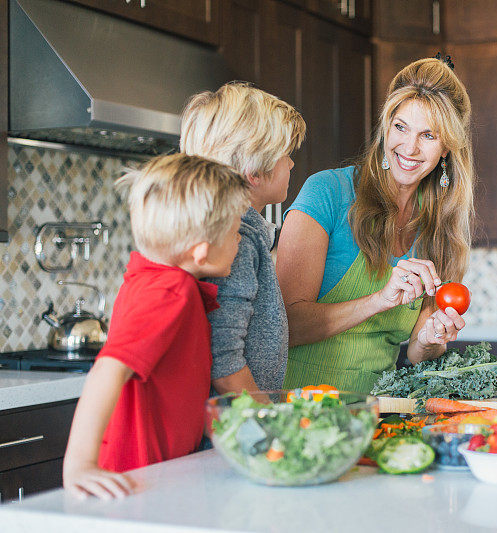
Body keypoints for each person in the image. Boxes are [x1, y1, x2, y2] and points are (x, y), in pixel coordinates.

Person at [277, 57, 475, 394]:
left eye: (428, 135)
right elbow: (284, 328)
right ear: (386, 127)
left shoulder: (439, 226)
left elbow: (416, 351)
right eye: (401, 127)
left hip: (374, 416)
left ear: (446, 149)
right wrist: (380, 300)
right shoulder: (327, 193)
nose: (409, 148)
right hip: (296, 414)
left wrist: (431, 338)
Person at [62, 154, 250, 499]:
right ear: (201, 252)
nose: (240, 241)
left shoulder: (157, 279)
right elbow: (107, 369)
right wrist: (79, 463)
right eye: (236, 232)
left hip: (160, 471)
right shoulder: (169, 291)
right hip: (137, 477)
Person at [180, 82, 306, 394]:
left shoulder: (243, 235)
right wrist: (269, 426)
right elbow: (224, 366)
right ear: (255, 173)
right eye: (285, 155)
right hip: (240, 431)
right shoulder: (236, 242)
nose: (291, 163)